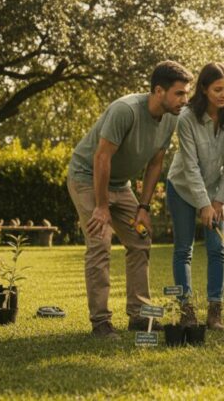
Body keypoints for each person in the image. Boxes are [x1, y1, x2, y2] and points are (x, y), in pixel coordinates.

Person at [67, 61, 193, 338]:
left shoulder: (171, 117)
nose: (185, 100)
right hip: (87, 176)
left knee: (140, 239)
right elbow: (102, 157)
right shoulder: (125, 110)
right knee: (100, 244)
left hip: (120, 183)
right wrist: (101, 207)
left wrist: (143, 207)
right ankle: (100, 321)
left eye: (186, 93)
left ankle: (138, 315)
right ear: (159, 91)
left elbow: (155, 164)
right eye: (180, 93)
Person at [166, 62, 224, 330]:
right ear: (204, 89)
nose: (223, 95)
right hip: (183, 188)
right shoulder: (186, 117)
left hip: (216, 193)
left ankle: (215, 313)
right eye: (218, 89)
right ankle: (187, 311)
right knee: (183, 250)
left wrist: (218, 201)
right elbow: (190, 165)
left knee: (217, 250)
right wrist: (203, 204)